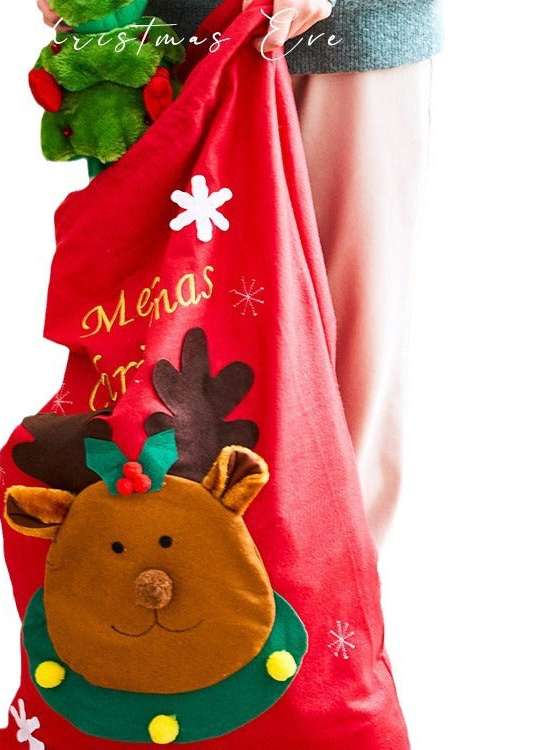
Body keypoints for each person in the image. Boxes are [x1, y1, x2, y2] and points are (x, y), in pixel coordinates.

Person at [36, 0, 443, 546]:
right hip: (158, 41)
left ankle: (329, 581)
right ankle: (194, 579)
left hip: (341, 34)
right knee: (162, 345)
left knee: (346, 347)